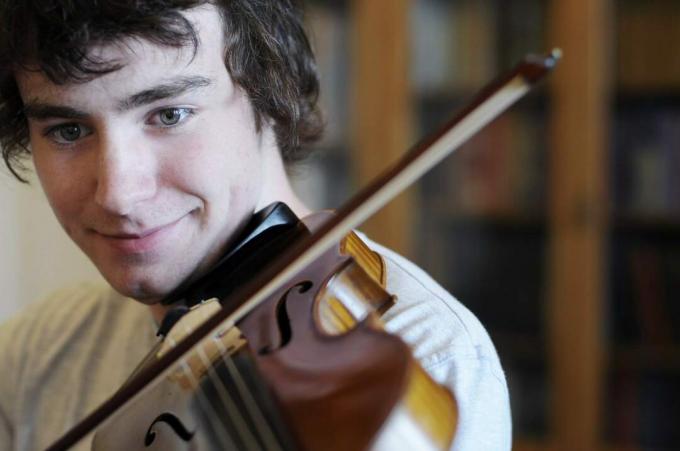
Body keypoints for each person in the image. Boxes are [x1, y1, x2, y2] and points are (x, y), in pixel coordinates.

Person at [0, 1, 511, 450]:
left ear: (270, 91)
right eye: (67, 130)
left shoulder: (425, 356)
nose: (117, 192)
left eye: (170, 114)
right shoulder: (38, 352)